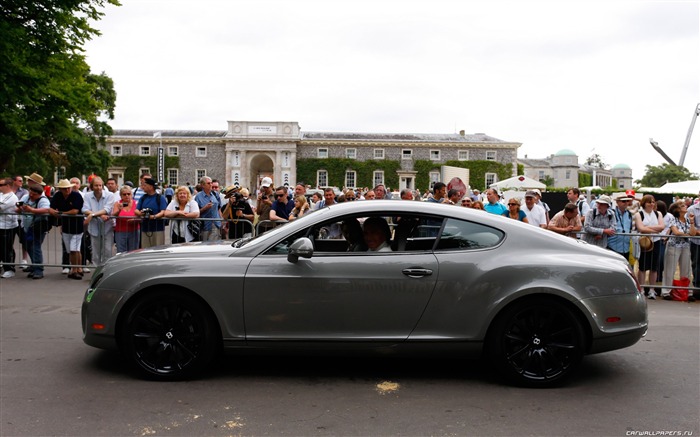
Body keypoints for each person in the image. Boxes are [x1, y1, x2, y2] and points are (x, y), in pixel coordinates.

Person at [661, 201, 697, 300]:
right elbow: (676, 232)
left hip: (685, 246)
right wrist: (687, 234)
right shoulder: (673, 219)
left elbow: (693, 233)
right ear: (677, 209)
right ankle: (666, 291)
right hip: (674, 245)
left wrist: (692, 222)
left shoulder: (688, 219)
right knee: (670, 269)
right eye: (682, 206)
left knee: (687, 269)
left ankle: (687, 291)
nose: (686, 206)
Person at [50, 179, 85, 279]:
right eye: (65, 189)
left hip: (77, 226)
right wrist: (53, 212)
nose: (67, 190)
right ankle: (78, 268)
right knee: (72, 250)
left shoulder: (76, 196)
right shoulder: (57, 196)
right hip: (66, 226)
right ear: (61, 189)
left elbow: (75, 211)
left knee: (74, 249)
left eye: (68, 188)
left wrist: (61, 213)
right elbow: (51, 207)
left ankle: (74, 269)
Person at [633, 195, 665, 298]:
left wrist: (647, 228)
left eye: (653, 202)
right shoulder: (639, 214)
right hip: (644, 242)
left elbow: (662, 226)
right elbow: (641, 228)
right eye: (649, 202)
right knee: (642, 266)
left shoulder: (658, 213)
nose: (651, 204)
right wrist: (655, 230)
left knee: (654, 267)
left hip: (656, 241)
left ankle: (652, 289)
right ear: (644, 203)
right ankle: (641, 288)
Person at [16, 185, 50, 279]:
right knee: (28, 246)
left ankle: (38, 270)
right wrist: (19, 208)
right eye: (30, 192)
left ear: (39, 194)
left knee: (35, 247)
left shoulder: (43, 200)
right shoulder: (26, 197)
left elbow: (46, 210)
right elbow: (18, 208)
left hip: (37, 227)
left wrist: (32, 210)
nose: (31, 195)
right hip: (26, 227)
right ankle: (35, 265)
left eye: (34, 194)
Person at [81, 176, 116, 266]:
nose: (99, 188)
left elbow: (107, 209)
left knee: (107, 251)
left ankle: (106, 270)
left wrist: (92, 215)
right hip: (94, 228)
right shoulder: (87, 196)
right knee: (95, 252)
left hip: (107, 227)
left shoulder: (110, 195)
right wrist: (97, 215)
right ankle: (96, 271)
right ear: (92, 187)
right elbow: (85, 209)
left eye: (100, 185)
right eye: (96, 185)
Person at [134, 178, 168, 248]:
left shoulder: (160, 198)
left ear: (151, 186)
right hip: (145, 228)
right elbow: (136, 210)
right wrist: (141, 213)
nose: (143, 187)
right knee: (145, 248)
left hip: (158, 228)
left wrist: (154, 217)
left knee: (158, 248)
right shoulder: (143, 198)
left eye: (145, 185)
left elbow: (163, 211)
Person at [0, 177, 19, 278]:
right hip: (1, 225)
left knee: (6, 248)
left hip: (8, 226)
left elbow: (1, 207)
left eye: (1, 185)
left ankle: (10, 269)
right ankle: (3, 265)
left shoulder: (12, 197)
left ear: (7, 186)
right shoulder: (1, 195)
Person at [112, 185, 140, 253]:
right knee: (121, 252)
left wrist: (134, 220)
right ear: (121, 195)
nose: (126, 196)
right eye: (124, 194)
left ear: (131, 194)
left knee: (133, 251)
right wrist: (119, 210)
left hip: (134, 230)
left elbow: (140, 217)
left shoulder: (136, 203)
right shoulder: (118, 203)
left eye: (128, 194)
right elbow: (113, 215)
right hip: (121, 231)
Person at [607, 193, 634, 262]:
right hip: (612, 246)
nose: (625, 203)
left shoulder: (629, 214)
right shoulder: (611, 213)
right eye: (623, 201)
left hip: (626, 247)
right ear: (617, 202)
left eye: (627, 201)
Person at [194, 176, 221, 241]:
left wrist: (222, 221)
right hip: (205, 226)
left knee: (216, 246)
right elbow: (195, 212)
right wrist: (204, 208)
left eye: (211, 183)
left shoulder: (215, 194)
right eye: (208, 183)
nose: (211, 185)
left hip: (216, 224)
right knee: (206, 246)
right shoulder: (198, 197)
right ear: (203, 185)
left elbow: (219, 208)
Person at [687, 193, 700, 291]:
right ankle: (697, 286)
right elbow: (691, 229)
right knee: (696, 264)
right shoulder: (692, 209)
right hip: (696, 242)